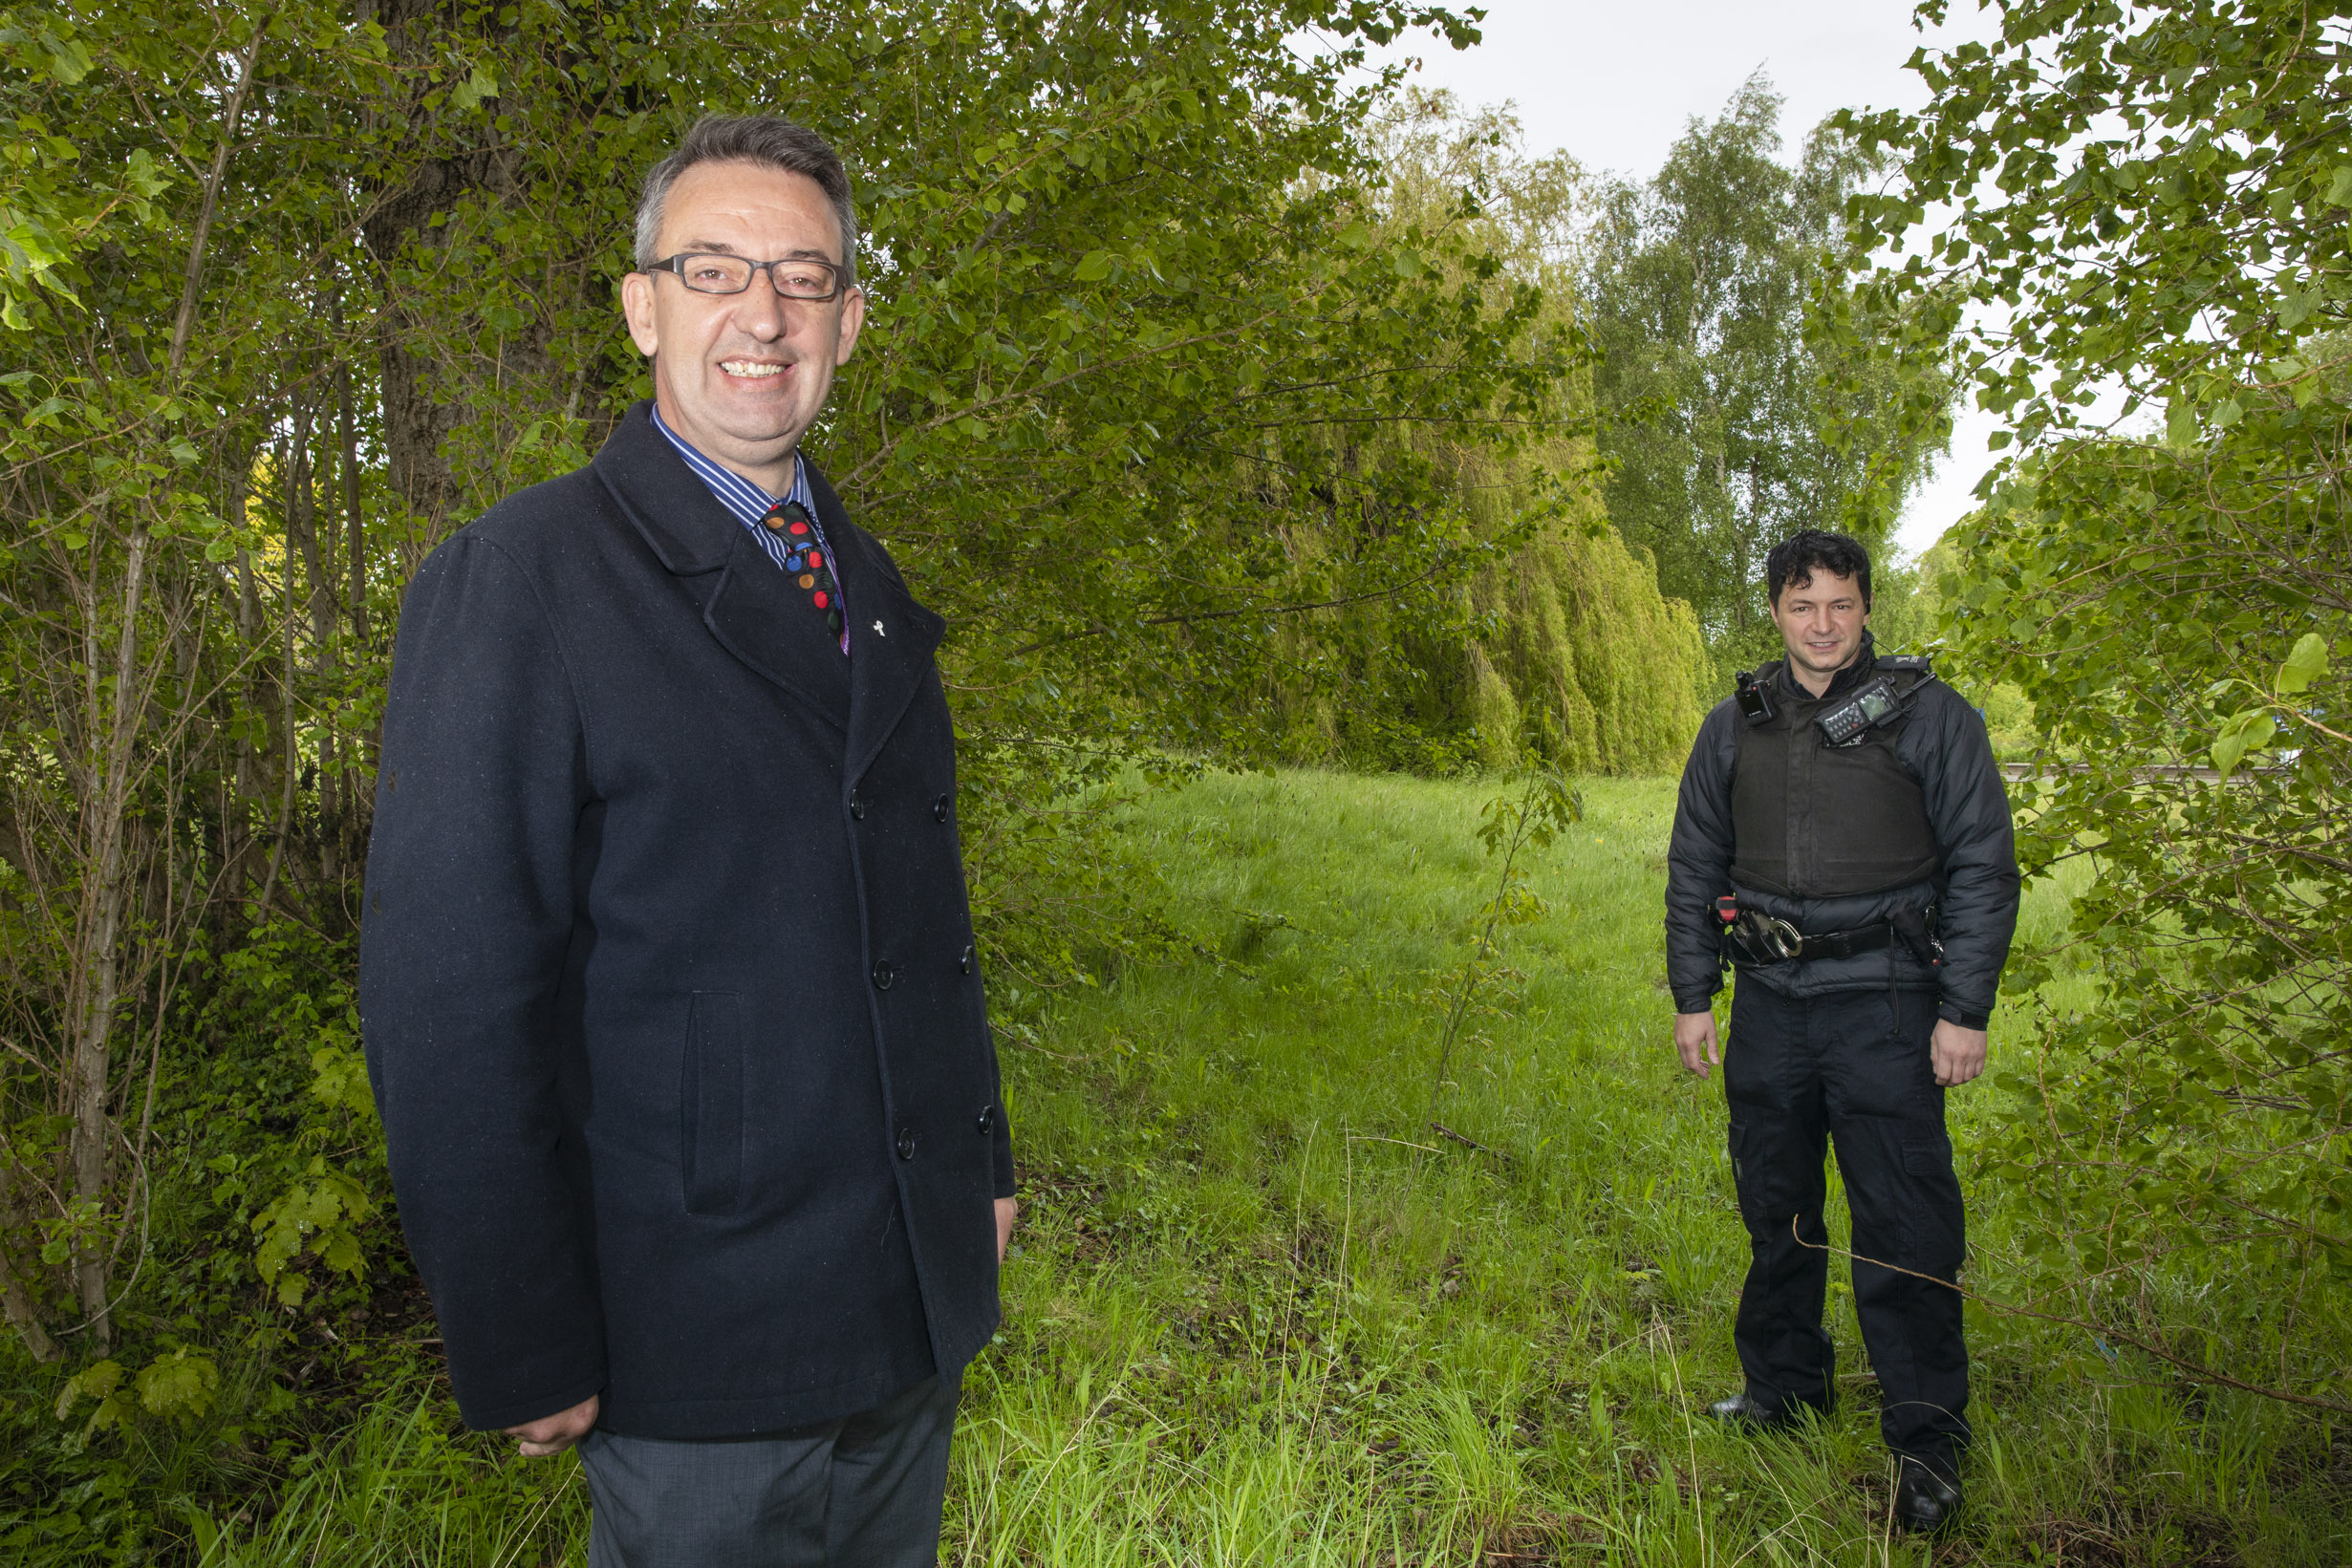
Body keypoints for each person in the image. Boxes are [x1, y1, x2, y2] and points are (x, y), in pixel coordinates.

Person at [359, 115, 1017, 1567]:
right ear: (641, 304)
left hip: (901, 1309)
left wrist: (980, 1161)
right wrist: (522, 1332)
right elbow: (449, 999)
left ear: (848, 318)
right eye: (713, 268)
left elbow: (914, 914)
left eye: (801, 275)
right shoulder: (519, 582)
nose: (761, 314)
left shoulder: (872, 586)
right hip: (692, 1338)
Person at [1663, 529, 2018, 1536]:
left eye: (1841, 606)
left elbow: (1984, 869)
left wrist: (1964, 1012)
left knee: (1904, 1230)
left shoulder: (1933, 720)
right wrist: (1696, 997)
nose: (1822, 627)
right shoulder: (1733, 727)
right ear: (1773, 611)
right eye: (1801, 606)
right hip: (1770, 1007)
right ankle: (1783, 1390)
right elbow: (1695, 869)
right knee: (1774, 1210)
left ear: (1867, 610)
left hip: (1892, 1007)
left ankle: (1926, 1444)